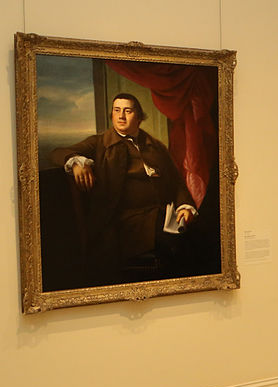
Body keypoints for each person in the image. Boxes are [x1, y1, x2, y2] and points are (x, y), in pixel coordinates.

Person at [51, 93, 196, 286]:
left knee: (197, 235)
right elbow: (56, 153)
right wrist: (77, 163)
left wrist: (185, 205)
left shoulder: (155, 146)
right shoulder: (100, 143)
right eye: (117, 111)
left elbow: (176, 182)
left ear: (139, 117)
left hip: (161, 215)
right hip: (123, 223)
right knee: (177, 244)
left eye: (127, 111)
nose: (121, 116)